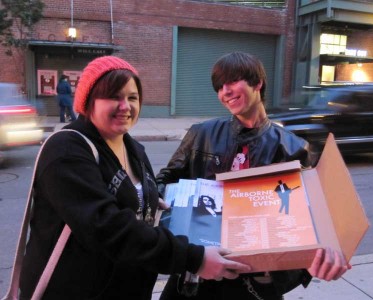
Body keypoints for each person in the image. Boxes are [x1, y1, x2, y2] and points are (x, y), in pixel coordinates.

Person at [19, 56, 250, 300]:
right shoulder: (67, 150)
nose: (125, 106)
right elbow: (109, 228)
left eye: (132, 97)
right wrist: (195, 258)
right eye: (114, 97)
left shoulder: (133, 149)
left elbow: (140, 205)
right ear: (88, 101)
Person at [156, 52, 350, 300]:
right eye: (219, 87)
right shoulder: (201, 134)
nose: (225, 91)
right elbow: (165, 181)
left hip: (254, 283)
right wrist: (162, 202)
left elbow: (306, 223)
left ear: (257, 83)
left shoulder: (292, 148)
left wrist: (307, 263)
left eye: (232, 81)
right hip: (198, 273)